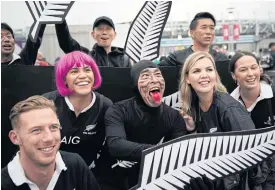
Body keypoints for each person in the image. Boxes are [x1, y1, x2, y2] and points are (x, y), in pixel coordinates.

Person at [103, 60, 189, 189]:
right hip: (118, 180)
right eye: (145, 76)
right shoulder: (118, 110)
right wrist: (158, 150)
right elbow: (116, 145)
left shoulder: (174, 116)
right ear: (135, 84)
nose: (154, 80)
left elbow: (177, 153)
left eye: (158, 74)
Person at [179, 51, 256, 189]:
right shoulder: (194, 106)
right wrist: (192, 129)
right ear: (188, 78)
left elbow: (252, 153)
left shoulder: (229, 108)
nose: (204, 75)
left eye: (209, 69)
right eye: (197, 71)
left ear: (215, 75)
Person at [1, 95, 100, 190]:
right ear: (15, 138)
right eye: (36, 130)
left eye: (54, 127)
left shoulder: (75, 165)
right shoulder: (3, 183)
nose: (49, 138)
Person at [42, 51, 113, 174]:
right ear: (64, 79)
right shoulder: (46, 103)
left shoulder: (105, 105)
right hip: (50, 174)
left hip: (88, 174)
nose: (83, 76)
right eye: (74, 71)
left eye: (87, 70)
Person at [229, 50, 275, 189]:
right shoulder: (228, 105)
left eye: (254, 68)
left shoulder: (272, 96)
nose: (250, 73)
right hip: (245, 175)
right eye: (243, 70)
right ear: (233, 76)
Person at [55, 16, 131, 67]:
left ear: (114, 35)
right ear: (93, 34)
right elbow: (66, 43)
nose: (104, 32)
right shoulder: (86, 56)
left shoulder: (124, 59)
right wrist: (59, 16)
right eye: (100, 29)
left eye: (108, 28)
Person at [159, 12, 228, 66]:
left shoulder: (222, 59)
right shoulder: (177, 58)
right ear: (192, 33)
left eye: (212, 28)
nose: (208, 32)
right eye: (204, 27)